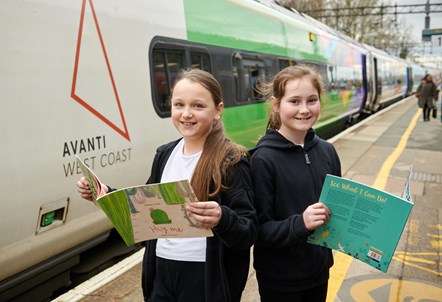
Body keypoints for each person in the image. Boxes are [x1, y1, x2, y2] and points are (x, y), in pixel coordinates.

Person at [77, 69, 257, 302]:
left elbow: (248, 231)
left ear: (218, 110)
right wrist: (103, 193)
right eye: (179, 105)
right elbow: (145, 207)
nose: (186, 114)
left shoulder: (231, 160)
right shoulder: (165, 154)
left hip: (205, 276)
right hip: (162, 268)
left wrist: (222, 218)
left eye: (198, 106)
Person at [249, 65, 341, 302]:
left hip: (320, 271)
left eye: (312, 100)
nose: (304, 109)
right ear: (277, 105)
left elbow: (337, 209)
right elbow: (258, 230)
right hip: (281, 279)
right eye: (294, 101)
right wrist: (301, 223)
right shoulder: (263, 159)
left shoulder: (327, 151)